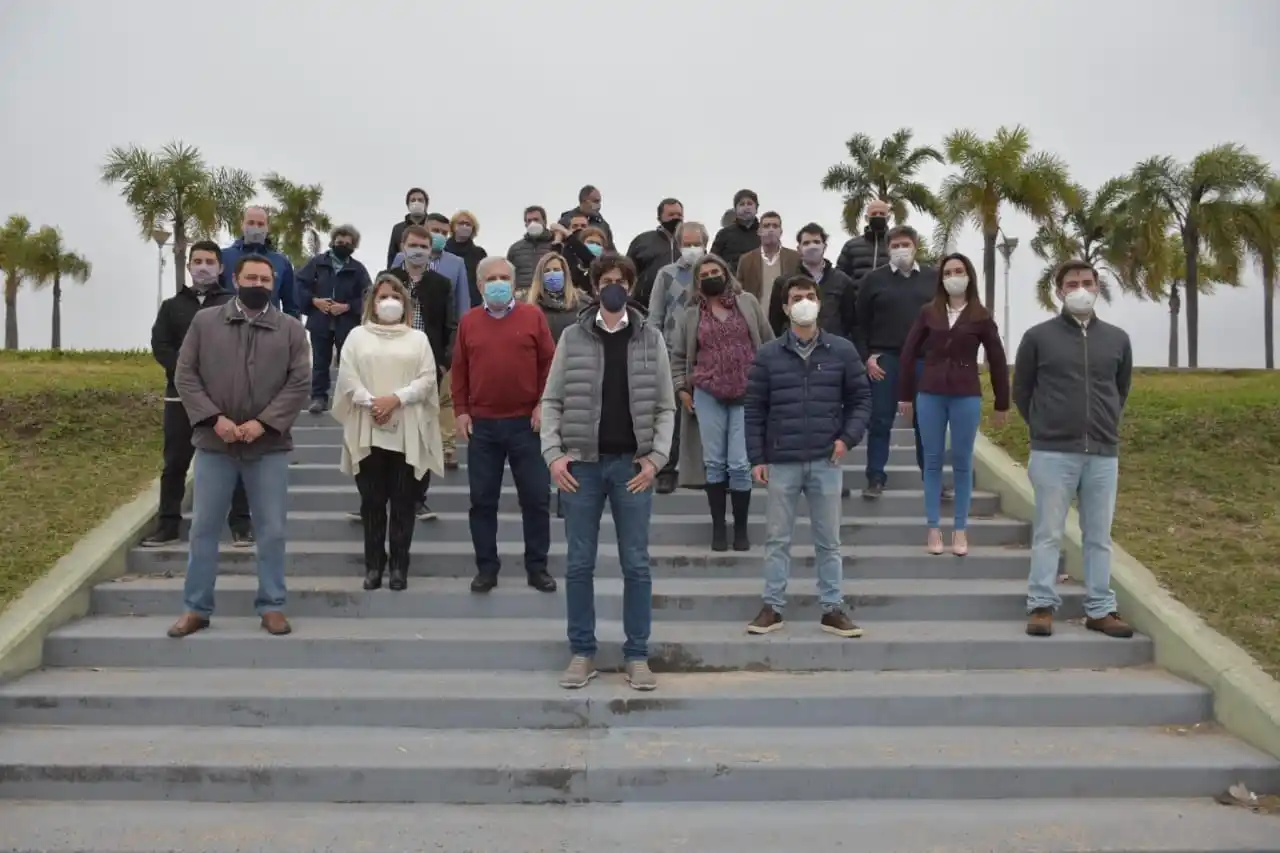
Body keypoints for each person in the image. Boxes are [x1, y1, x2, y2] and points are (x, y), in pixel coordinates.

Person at [540, 252, 675, 691]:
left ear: (631, 288)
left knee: (636, 564)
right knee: (579, 564)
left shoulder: (650, 337)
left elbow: (665, 406)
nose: (613, 286)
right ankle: (582, 652)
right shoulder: (573, 337)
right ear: (595, 287)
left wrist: (656, 459)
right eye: (606, 280)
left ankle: (637, 655)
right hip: (581, 467)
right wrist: (554, 455)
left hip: (633, 468)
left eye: (621, 280)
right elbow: (552, 400)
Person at [168, 254, 310, 639]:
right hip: (216, 444)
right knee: (204, 529)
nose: (259, 284)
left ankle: (272, 605)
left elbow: (298, 384)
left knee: (272, 529)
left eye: (266, 279)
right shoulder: (205, 322)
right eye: (252, 277)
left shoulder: (291, 330)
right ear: (235, 278)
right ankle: (196, 608)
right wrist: (216, 419)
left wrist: (261, 424)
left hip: (268, 447)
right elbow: (186, 374)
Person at [744, 274, 872, 638]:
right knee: (777, 539)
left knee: (828, 541)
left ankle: (832, 608)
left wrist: (847, 439)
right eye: (796, 297)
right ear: (785, 308)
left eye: (809, 295)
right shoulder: (768, 355)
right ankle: (772, 607)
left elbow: (862, 399)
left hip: (825, 460)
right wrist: (757, 458)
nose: (804, 301)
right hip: (781, 460)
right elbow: (754, 409)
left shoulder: (842, 351)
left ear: (819, 302)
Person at [1015, 260, 1134, 640]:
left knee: (1099, 536)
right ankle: (1041, 606)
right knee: (1049, 532)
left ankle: (1100, 608)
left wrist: (1106, 422)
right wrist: (1044, 427)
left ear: (1097, 286)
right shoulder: (1038, 337)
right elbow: (1023, 391)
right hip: (1053, 452)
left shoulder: (1117, 339)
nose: (1080, 288)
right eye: (1071, 283)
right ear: (1059, 291)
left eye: (1086, 282)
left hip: (1102, 452)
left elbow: (1121, 389)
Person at [453, 256, 558, 594]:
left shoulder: (533, 316)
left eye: (504, 277)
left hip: (527, 425)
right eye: (491, 278)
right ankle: (487, 568)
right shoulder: (468, 322)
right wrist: (461, 410)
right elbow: (459, 370)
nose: (497, 282)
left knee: (536, 498)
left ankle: (537, 567)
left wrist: (543, 404)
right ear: (480, 285)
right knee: (482, 500)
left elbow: (550, 365)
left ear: (513, 283)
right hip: (483, 426)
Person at [333, 273, 443, 592]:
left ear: (404, 303)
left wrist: (395, 399)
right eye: (382, 297)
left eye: (395, 296)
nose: (389, 302)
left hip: (406, 426)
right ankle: (373, 565)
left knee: (403, 500)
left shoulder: (417, 339)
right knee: (372, 500)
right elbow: (347, 376)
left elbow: (426, 379)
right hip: (367, 425)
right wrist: (373, 403)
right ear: (373, 303)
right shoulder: (357, 336)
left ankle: (399, 565)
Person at [897, 253, 1010, 556]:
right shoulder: (928, 312)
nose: (954, 276)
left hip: (966, 393)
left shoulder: (980, 315)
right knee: (932, 461)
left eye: (959, 270)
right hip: (931, 392)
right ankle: (933, 529)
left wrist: (1002, 402)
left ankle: (960, 530)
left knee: (962, 461)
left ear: (969, 275)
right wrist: (905, 395)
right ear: (941, 278)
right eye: (948, 272)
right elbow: (908, 355)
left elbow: (997, 358)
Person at [142, 241, 252, 548]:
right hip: (180, 399)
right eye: (197, 260)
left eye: (209, 261)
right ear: (189, 266)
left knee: (236, 459)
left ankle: (241, 525)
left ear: (220, 267)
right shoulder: (171, 307)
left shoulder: (235, 304)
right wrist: (187, 373)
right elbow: (160, 345)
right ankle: (168, 525)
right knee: (175, 462)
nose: (203, 266)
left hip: (226, 399)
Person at [670, 254, 773, 551]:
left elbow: (767, 341)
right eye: (705, 273)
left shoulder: (748, 303)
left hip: (748, 392)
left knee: (740, 463)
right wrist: (681, 389)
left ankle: (740, 529)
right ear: (698, 280)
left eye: (717, 270)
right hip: (707, 393)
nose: (712, 276)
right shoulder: (691, 314)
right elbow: (678, 358)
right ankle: (718, 528)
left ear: (726, 273)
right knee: (714, 463)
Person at [852, 225, 936, 500]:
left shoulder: (932, 279)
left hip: (924, 360)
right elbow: (860, 324)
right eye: (896, 245)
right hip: (885, 360)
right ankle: (875, 476)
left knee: (926, 422)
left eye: (906, 244)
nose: (901, 249)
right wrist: (867, 357)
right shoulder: (872, 280)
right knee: (879, 420)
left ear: (916, 245)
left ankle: (931, 478)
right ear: (888, 249)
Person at [645, 221, 709, 494]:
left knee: (707, 413)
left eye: (697, 243)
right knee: (670, 415)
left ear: (706, 243)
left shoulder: (714, 273)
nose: (692, 248)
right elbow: (655, 316)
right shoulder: (667, 274)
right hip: (672, 354)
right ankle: (666, 469)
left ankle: (709, 470)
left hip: (707, 355)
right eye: (687, 243)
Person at [296, 225, 372, 414]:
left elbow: (368, 296)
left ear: (354, 246)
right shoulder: (316, 263)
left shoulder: (358, 269)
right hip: (320, 320)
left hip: (346, 324)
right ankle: (318, 398)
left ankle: (349, 397)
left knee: (349, 362)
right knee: (320, 362)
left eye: (348, 243)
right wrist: (314, 301)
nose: (343, 245)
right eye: (340, 242)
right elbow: (299, 285)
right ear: (332, 242)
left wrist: (347, 307)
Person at [768, 223, 854, 339]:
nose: (812, 246)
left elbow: (850, 321)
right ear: (799, 249)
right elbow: (775, 323)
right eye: (806, 243)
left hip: (832, 349)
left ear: (825, 246)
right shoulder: (783, 282)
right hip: (794, 349)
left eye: (816, 242)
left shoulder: (843, 281)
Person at [220, 206, 298, 317]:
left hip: (269, 328)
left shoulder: (281, 262)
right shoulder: (224, 257)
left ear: (268, 228)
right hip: (229, 325)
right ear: (242, 225)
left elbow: (291, 306)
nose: (255, 228)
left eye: (260, 224)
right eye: (251, 223)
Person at [736, 211, 799, 309]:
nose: (771, 230)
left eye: (775, 226)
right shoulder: (746, 260)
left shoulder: (795, 258)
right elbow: (738, 291)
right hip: (756, 319)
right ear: (759, 231)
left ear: (781, 231)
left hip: (786, 319)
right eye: (766, 226)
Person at [626, 197, 683, 306]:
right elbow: (627, 272)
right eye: (671, 215)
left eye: (679, 215)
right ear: (659, 218)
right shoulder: (642, 241)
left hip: (681, 306)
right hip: (645, 305)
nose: (676, 218)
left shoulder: (689, 242)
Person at [527, 252, 584, 342]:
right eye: (547, 271)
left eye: (556, 270)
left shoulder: (581, 302)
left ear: (565, 273)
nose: (552, 274)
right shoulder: (531, 308)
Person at [835, 198, 892, 287]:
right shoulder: (851, 246)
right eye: (874, 213)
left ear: (888, 218)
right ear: (866, 218)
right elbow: (839, 276)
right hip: (856, 299)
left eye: (882, 214)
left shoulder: (895, 246)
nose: (878, 216)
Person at [507, 206, 555, 296]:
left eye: (536, 219)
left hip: (549, 296)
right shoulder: (515, 249)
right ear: (525, 224)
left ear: (544, 222)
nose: (533, 223)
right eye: (529, 221)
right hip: (523, 297)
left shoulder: (556, 245)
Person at [710, 189, 761, 271]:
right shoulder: (724, 234)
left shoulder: (764, 233)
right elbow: (712, 261)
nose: (746, 207)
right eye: (742, 204)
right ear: (735, 209)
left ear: (756, 208)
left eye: (749, 204)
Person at [446, 210, 487, 308]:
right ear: (453, 227)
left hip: (472, 303)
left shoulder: (479, 253)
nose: (464, 226)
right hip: (447, 302)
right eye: (461, 223)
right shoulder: (444, 251)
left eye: (468, 224)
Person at [387, 187, 429, 269]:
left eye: (420, 200)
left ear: (426, 205)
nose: (416, 202)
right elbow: (392, 257)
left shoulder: (433, 227)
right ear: (408, 205)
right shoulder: (398, 229)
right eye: (413, 200)